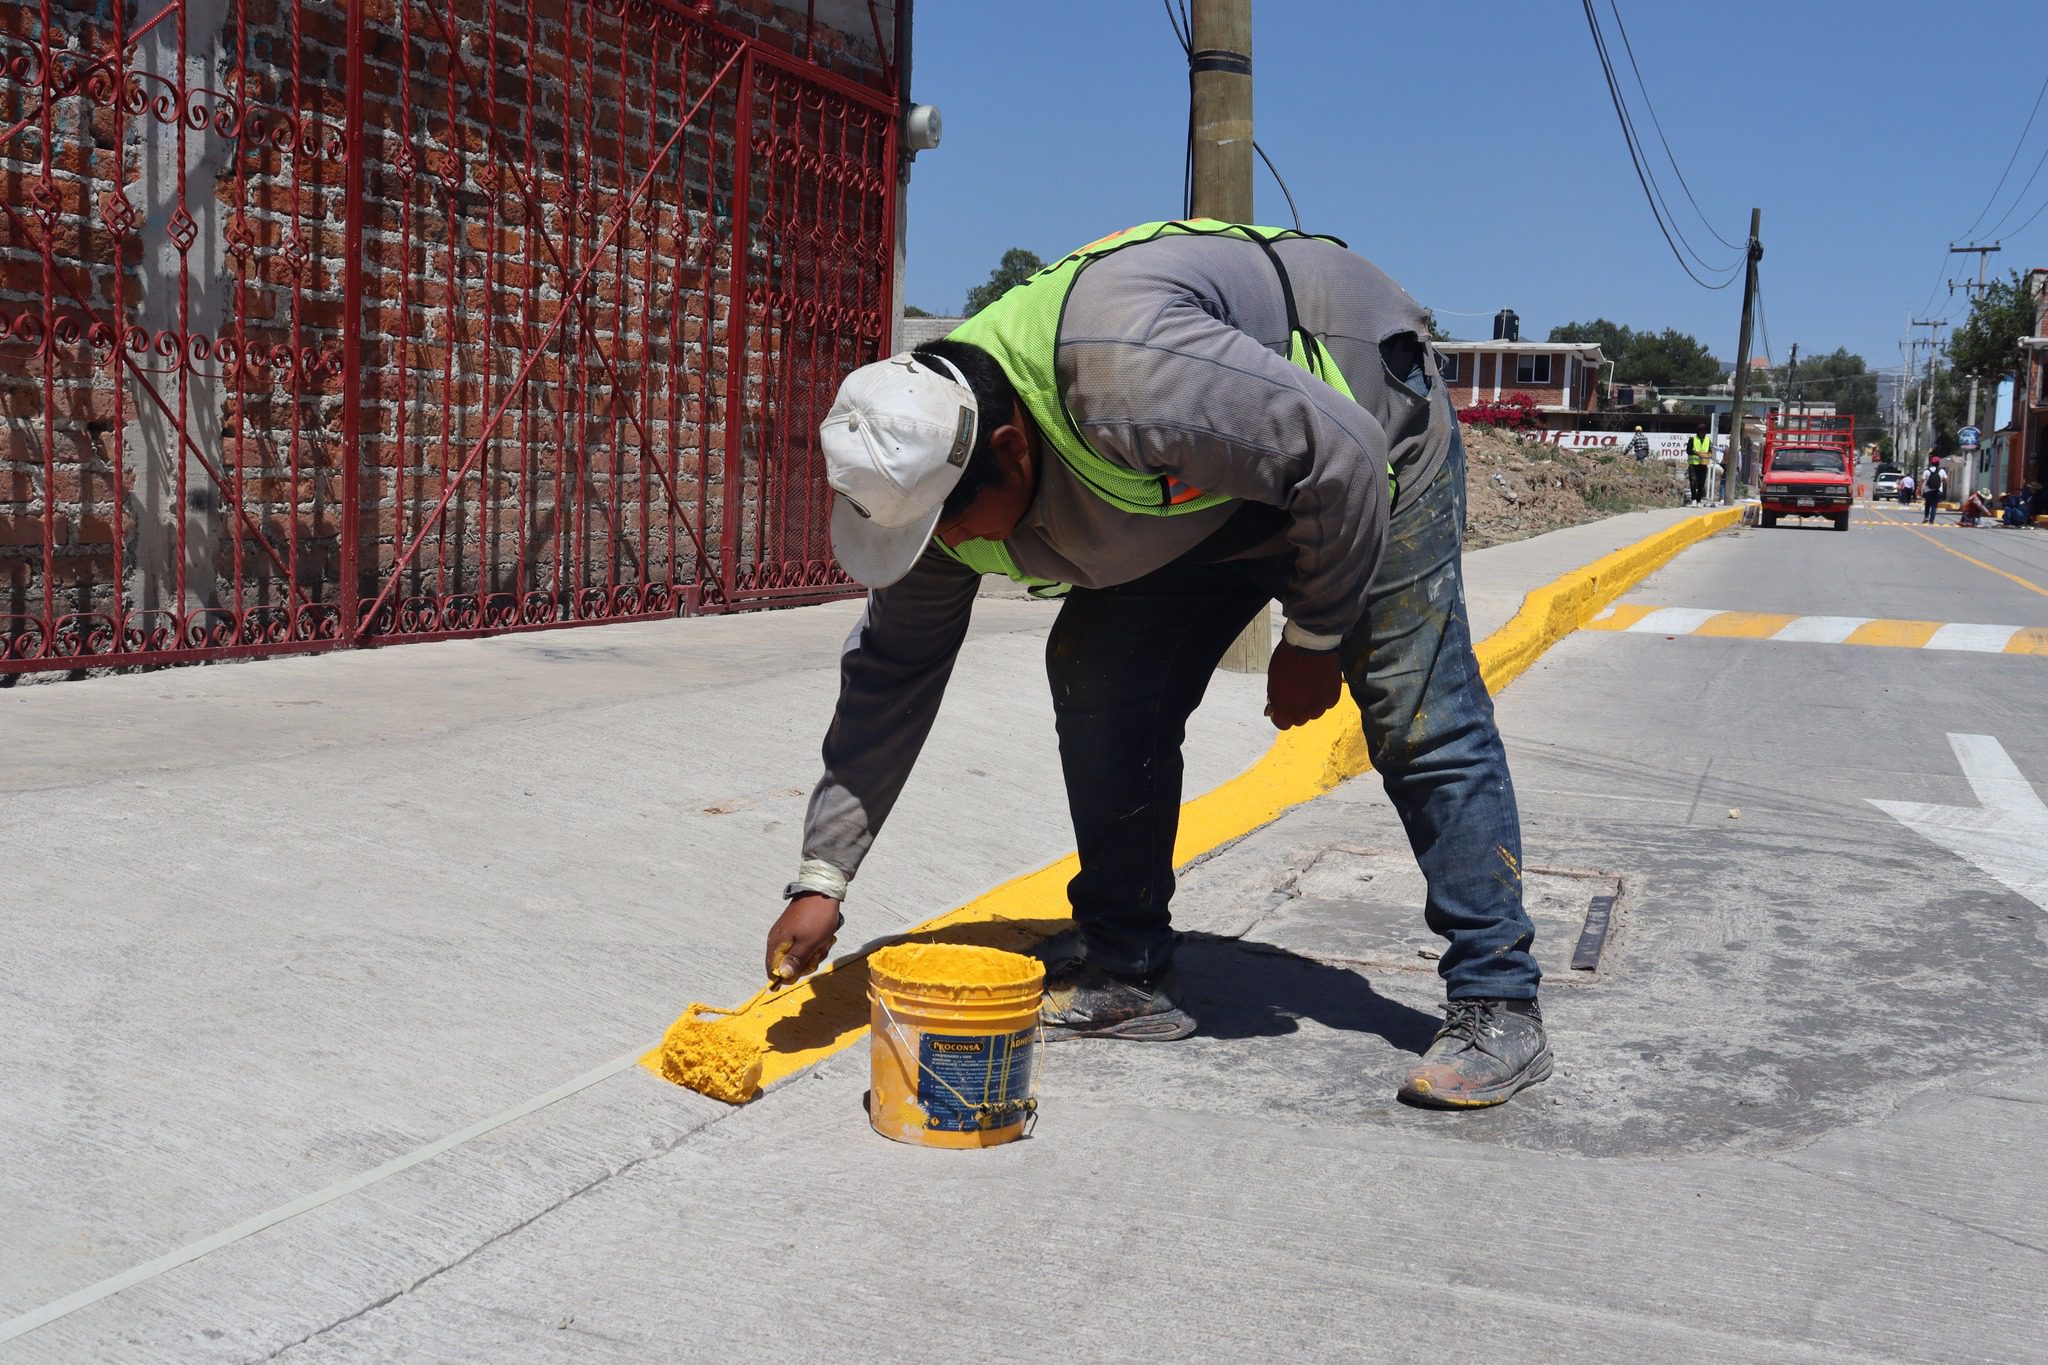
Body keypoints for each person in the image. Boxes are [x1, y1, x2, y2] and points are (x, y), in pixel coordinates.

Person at [769, 220, 1549, 1108]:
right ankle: (1127, 965)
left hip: (1368, 426)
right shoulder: (933, 483)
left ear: (1011, 452)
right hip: (1215, 489)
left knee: (1416, 708)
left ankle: (1498, 997)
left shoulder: (1127, 376)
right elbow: (891, 673)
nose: (940, 547)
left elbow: (1344, 458)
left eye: (946, 523)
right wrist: (822, 877)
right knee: (1102, 669)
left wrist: (1315, 637)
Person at [1686, 423, 1711, 505]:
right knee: (1693, 481)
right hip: (1694, 464)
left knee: (1701, 483)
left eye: (1704, 431)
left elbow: (1709, 450)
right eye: (1701, 431)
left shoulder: (1708, 440)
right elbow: (1688, 450)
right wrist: (1697, 453)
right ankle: (1693, 499)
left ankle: (1698, 500)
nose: (1702, 433)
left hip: (1703, 464)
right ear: (1698, 431)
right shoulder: (1692, 439)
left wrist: (1710, 454)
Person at [1921, 457, 1945, 524]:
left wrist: (1919, 490)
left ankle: (1926, 517)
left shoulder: (1926, 471)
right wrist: (1941, 481)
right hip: (1938, 491)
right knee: (1934, 505)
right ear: (1938, 463)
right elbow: (1946, 480)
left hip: (1928, 491)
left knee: (1928, 504)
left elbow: (1922, 481)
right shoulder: (1941, 471)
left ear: (1931, 463)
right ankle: (1932, 520)